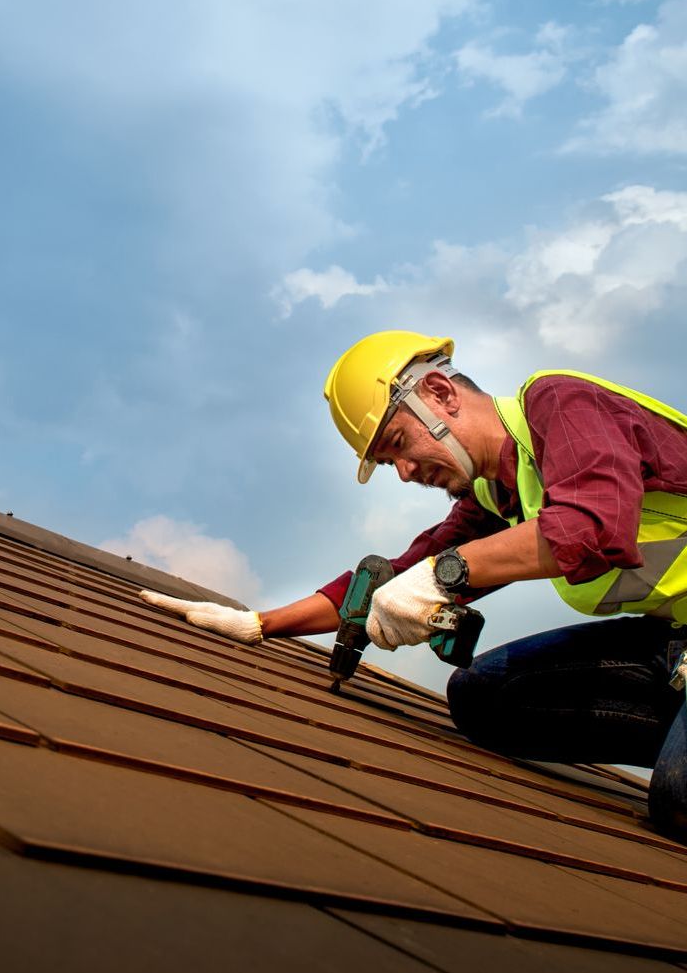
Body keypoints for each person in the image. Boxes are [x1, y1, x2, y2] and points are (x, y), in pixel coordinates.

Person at [141, 330, 687, 842]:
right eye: (386, 462)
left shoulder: (564, 403)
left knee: (679, 797)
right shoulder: (501, 494)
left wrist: (446, 575)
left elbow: (592, 526)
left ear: (441, 392)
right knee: (484, 698)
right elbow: (403, 573)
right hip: (672, 644)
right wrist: (260, 624)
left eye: (398, 443)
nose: (402, 472)